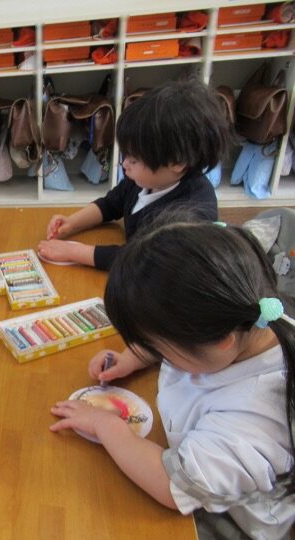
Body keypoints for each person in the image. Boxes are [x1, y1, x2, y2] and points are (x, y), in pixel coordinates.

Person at [50, 217, 295, 539]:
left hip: (229, 517)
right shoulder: (242, 320)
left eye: (158, 346)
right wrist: (134, 358)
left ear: (217, 341)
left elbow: (171, 485)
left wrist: (106, 426)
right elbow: (185, 336)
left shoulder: (254, 420)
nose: (153, 352)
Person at [38, 79, 231, 270]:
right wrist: (73, 222)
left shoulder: (192, 215)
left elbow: (142, 260)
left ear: (177, 163)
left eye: (134, 160)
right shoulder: (145, 179)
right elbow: (111, 203)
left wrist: (74, 252)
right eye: (125, 155)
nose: (124, 164)